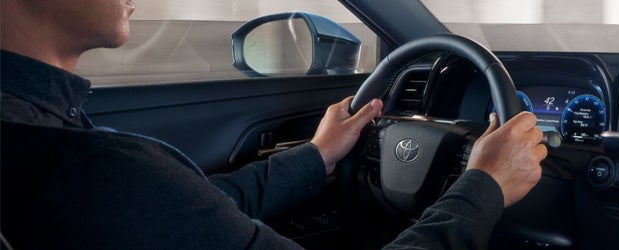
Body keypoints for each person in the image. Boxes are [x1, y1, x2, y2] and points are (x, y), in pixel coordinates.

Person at [0, 0, 547, 249]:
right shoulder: (94, 173)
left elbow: (192, 207)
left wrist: (318, 156)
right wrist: (484, 187)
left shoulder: (38, 138)